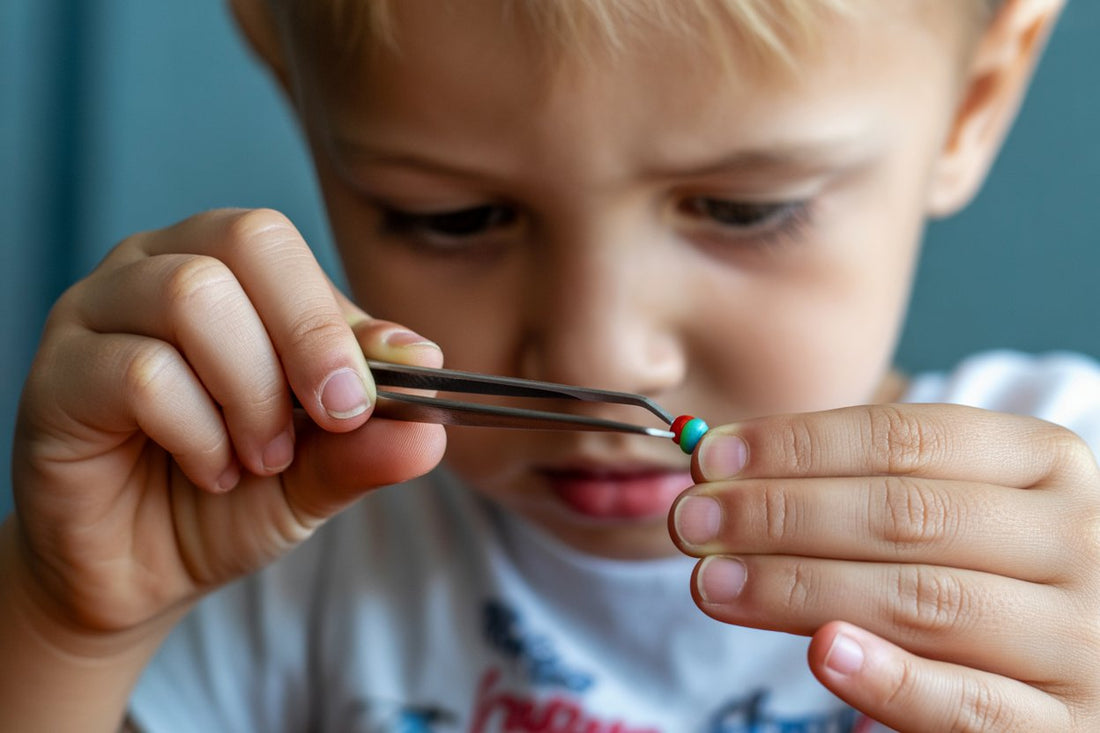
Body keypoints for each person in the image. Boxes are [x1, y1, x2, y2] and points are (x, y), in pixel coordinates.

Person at [3, 0, 1099, 730]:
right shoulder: (269, 539)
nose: (598, 351)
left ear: (973, 100)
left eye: (739, 208)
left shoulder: (1070, 527)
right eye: (453, 217)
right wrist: (70, 623)